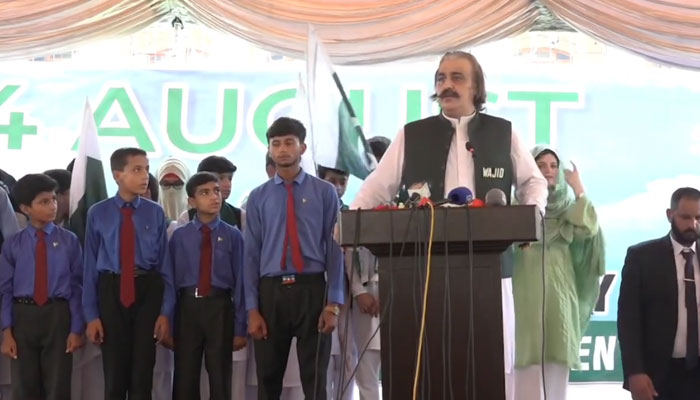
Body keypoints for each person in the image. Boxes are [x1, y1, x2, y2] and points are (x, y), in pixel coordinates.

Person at [350, 51, 548, 399]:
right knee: (424, 363)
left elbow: (533, 182)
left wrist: (531, 215)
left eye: (457, 77)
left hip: (491, 269)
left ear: (476, 87)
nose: (447, 85)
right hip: (420, 272)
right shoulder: (412, 134)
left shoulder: (503, 133)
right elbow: (376, 186)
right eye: (441, 78)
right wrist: (350, 224)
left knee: (492, 364)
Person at [245, 117, 344, 399]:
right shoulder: (258, 197)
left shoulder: (325, 192)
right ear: (269, 149)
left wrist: (333, 303)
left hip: (312, 289)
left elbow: (334, 249)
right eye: (276, 144)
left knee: (315, 380)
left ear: (302, 147)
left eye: (289, 142)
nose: (283, 149)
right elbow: (250, 255)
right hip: (271, 292)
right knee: (267, 379)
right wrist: (252, 309)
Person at [512, 146, 604, 400]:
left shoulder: (567, 208)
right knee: (524, 361)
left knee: (557, 360)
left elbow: (590, 229)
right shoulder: (516, 205)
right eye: (540, 165)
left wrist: (578, 188)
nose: (548, 171)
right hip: (524, 294)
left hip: (560, 295)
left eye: (553, 165)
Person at [83, 147, 173, 400]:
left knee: (143, 373)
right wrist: (91, 315)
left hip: (146, 289)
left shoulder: (155, 211)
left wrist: (166, 311)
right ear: (117, 175)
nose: (145, 175)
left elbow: (165, 266)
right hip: (111, 289)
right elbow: (90, 265)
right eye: (136, 169)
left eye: (146, 168)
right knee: (114, 374)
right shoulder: (98, 213)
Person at [0, 173, 84, 400]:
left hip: (57, 314)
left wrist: (76, 328)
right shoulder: (13, 244)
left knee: (58, 385)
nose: (52, 206)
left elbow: (77, 287)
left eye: (54, 199)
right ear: (26, 208)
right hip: (23, 315)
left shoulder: (69, 241)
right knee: (24, 385)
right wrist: (6, 331)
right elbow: (5, 290)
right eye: (44, 202)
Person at [165, 172, 247, 399]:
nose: (214, 197)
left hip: (220, 307)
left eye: (216, 191)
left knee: (220, 378)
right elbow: (170, 282)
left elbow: (241, 282)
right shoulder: (179, 236)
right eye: (205, 193)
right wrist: (169, 322)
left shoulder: (234, 235)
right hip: (188, 307)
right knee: (184, 378)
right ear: (191, 201)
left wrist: (241, 326)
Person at [618, 187, 700, 400]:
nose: (693, 225)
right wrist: (634, 372)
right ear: (670, 215)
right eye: (685, 217)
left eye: (699, 217)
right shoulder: (641, 257)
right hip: (659, 375)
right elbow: (629, 322)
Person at [317, 165, 355, 400]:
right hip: (320, 292)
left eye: (343, 181)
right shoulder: (313, 213)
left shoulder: (352, 214)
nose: (338, 187)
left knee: (349, 356)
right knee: (326, 356)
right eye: (333, 180)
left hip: (349, 294)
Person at [178, 156, 244, 231]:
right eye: (221, 178)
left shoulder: (240, 216)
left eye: (230, 178)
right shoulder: (187, 217)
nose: (228, 184)